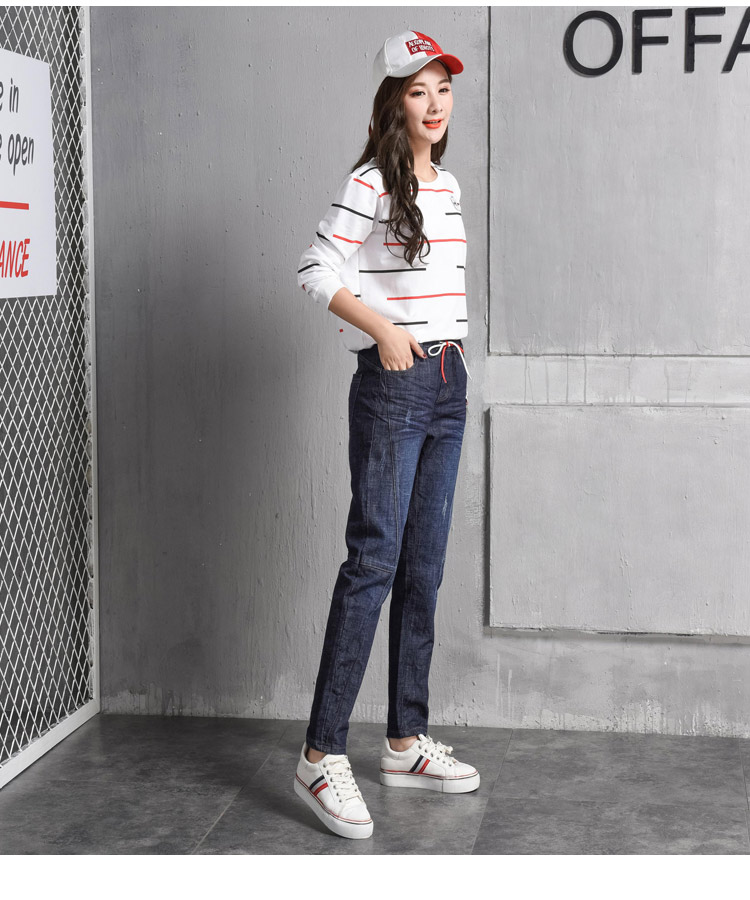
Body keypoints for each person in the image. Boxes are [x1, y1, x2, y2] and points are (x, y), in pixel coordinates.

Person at [293, 30, 479, 841]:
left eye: (442, 88)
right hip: (394, 386)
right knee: (373, 563)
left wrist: (442, 353)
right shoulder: (369, 181)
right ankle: (319, 754)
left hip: (448, 384)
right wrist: (384, 329)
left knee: (423, 569)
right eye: (417, 90)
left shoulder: (449, 186)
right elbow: (315, 268)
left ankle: (404, 741)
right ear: (392, 102)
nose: (434, 104)